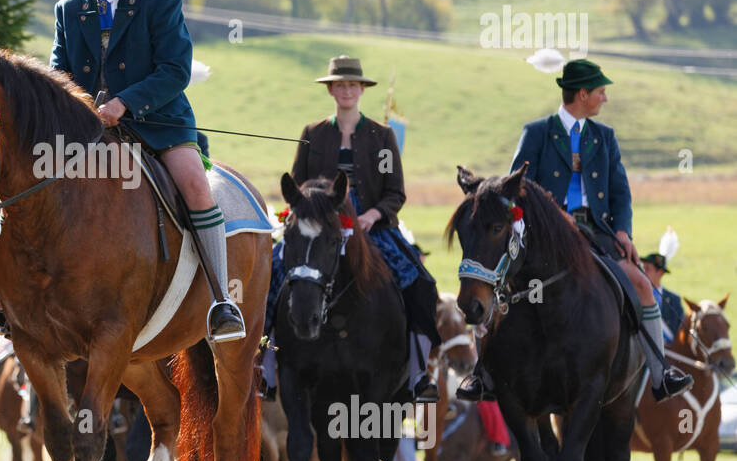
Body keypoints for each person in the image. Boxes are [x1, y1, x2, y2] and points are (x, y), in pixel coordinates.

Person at [49, 0, 244, 341]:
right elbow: (58, 73)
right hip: (88, 129)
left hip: (159, 122)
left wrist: (124, 103)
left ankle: (221, 300)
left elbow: (175, 69)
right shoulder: (67, 9)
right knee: (33, 177)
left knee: (194, 183)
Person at [456, 58, 691, 403]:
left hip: (595, 232)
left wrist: (623, 232)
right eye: (600, 92)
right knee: (495, 285)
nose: (605, 99)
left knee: (641, 284)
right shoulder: (536, 132)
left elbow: (619, 191)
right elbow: (511, 190)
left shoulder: (604, 137)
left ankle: (661, 373)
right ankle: (482, 374)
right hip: (544, 237)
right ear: (582, 94)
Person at [290, 55, 441, 402]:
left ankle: (419, 374)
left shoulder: (382, 136)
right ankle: (266, 366)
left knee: (421, 282)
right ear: (330, 89)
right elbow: (298, 185)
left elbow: (396, 192)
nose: (346, 90)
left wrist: (371, 216)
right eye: (339, 84)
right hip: (319, 225)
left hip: (372, 226)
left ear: (361, 89)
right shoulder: (312, 134)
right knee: (273, 271)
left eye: (352, 84)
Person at [641, 251, 684, 344]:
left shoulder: (674, 300)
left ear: (660, 272)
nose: (643, 272)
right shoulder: (636, 295)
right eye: (642, 268)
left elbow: (680, 331)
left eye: (647, 269)